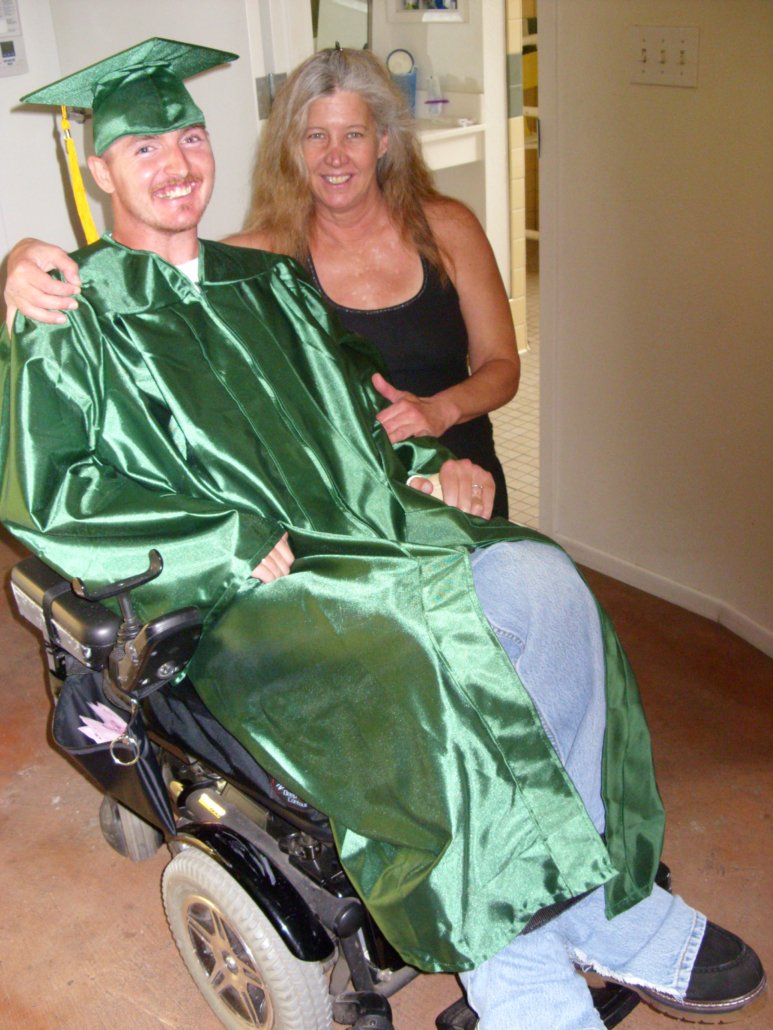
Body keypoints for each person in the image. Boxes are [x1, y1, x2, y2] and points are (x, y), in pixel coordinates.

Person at [0, 38, 765, 1030]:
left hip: (355, 537)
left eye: (187, 137)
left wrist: (425, 464)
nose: (175, 163)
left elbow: (351, 413)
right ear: (98, 170)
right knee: (420, 657)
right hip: (234, 600)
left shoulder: (267, 282)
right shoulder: (67, 312)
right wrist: (218, 542)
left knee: (542, 581)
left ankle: (600, 894)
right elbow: (54, 495)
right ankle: (517, 977)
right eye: (142, 149)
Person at [3, 48, 519, 518]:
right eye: (316, 136)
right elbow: (167, 269)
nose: (335, 156)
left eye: (354, 134)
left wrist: (434, 440)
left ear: (384, 140)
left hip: (430, 473)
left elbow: (487, 367)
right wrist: (17, 267)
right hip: (310, 513)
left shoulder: (435, 233)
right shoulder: (263, 267)